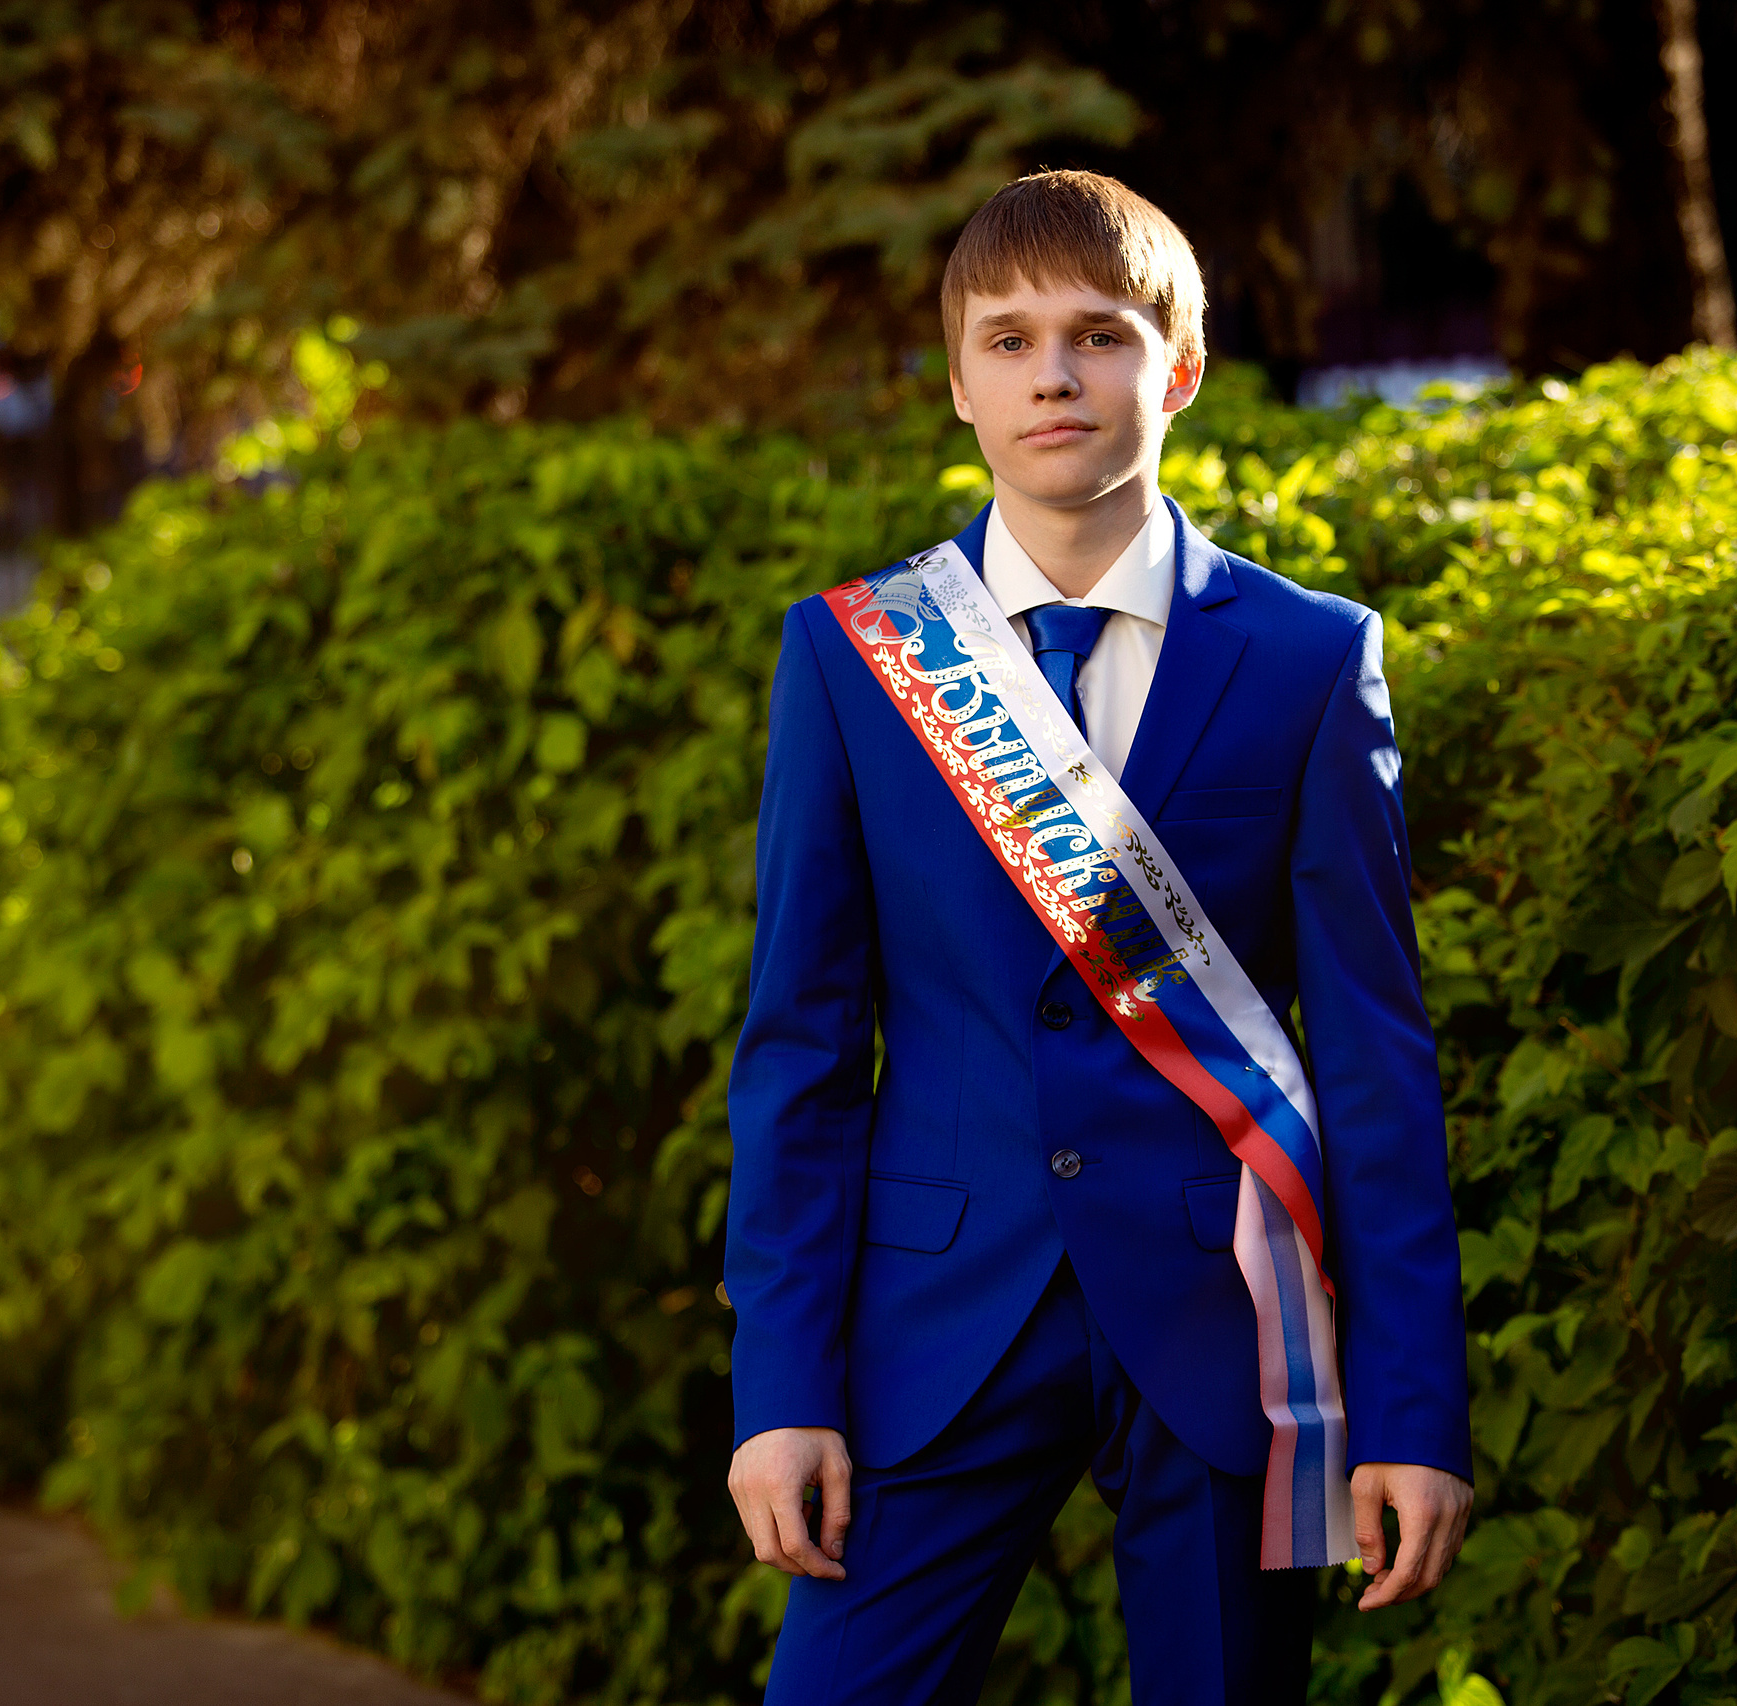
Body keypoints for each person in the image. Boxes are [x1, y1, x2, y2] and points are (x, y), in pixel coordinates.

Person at [723, 169, 1470, 1706]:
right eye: (1006, 340)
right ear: (956, 383)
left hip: (1223, 1329)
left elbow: (1378, 1063)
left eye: (1097, 333)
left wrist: (1411, 1406)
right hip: (932, 1331)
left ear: (1177, 367)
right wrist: (778, 1387)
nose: (1053, 374)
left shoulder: (1311, 660)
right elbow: (800, 1044)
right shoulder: (858, 656)